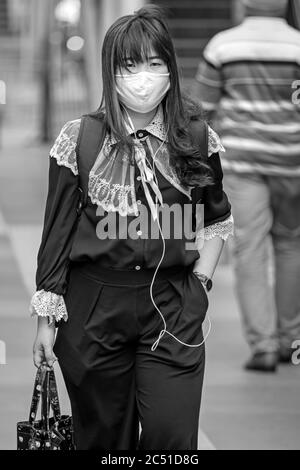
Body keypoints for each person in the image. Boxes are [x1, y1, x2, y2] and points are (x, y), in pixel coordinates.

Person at [30, 5, 233, 451]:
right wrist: (47, 321)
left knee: (172, 441)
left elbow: (216, 218)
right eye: (129, 65)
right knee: (104, 442)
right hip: (93, 310)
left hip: (173, 305)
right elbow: (57, 235)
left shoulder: (197, 138)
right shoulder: (78, 139)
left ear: (170, 69)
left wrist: (200, 281)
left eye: (154, 63)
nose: (143, 76)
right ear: (111, 72)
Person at [194, 0, 300, 372]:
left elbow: (203, 108)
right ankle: (291, 338)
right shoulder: (297, 45)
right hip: (293, 162)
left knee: (250, 249)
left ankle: (264, 345)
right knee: (291, 246)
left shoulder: (223, 46)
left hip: (244, 163)